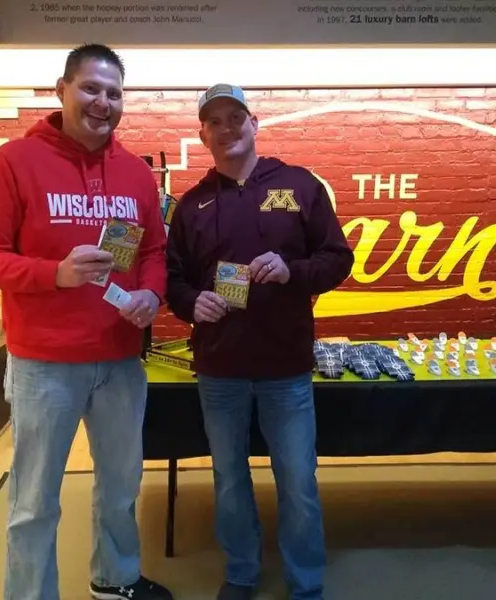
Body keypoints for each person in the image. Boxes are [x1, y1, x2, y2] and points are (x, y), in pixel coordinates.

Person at [0, 44, 174, 600]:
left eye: (113, 93)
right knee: (34, 500)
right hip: (44, 365)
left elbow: (153, 251)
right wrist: (54, 273)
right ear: (62, 89)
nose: (102, 102)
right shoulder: (14, 162)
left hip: (120, 359)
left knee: (122, 487)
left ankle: (116, 580)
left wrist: (152, 294)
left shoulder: (133, 173)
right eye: (90, 88)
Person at [165, 84, 355, 600]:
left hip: (285, 368)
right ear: (202, 134)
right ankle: (242, 573)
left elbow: (339, 259)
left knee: (297, 482)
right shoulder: (192, 204)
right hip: (219, 370)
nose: (227, 128)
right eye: (215, 122)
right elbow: (174, 278)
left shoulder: (297, 185)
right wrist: (190, 304)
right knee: (229, 480)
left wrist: (292, 271)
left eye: (235, 117)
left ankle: (306, 583)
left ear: (255, 123)